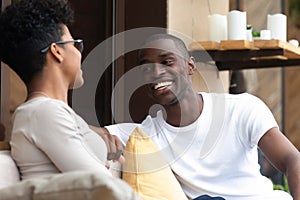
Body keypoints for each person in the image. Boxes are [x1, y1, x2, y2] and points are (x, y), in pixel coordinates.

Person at [98, 33, 300, 199]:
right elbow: (78, 129)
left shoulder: (240, 109)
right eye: (147, 67)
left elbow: (291, 159)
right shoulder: (145, 136)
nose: (156, 72)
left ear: (190, 66)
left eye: (167, 62)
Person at [0, 0, 123, 180]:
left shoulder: (47, 112)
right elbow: (102, 184)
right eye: (75, 45)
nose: (79, 52)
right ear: (57, 51)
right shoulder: (43, 112)